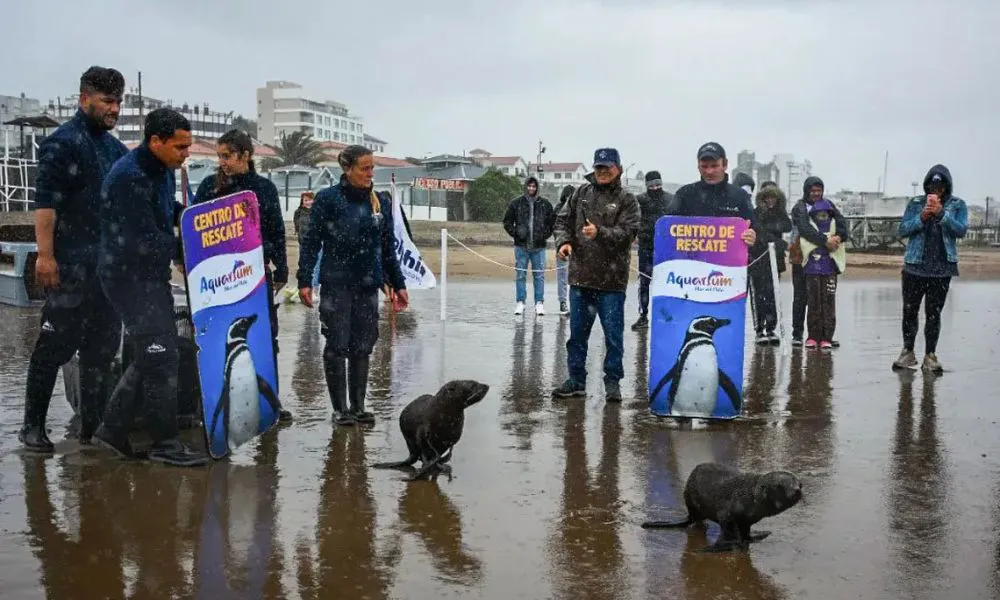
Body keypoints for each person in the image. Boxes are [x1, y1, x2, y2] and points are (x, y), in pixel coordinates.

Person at [18, 66, 129, 452]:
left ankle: (91, 427)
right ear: (84, 99)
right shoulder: (62, 144)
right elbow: (45, 206)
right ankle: (32, 426)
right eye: (107, 101)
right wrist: (45, 256)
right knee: (53, 347)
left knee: (101, 352)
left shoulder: (117, 151)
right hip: (70, 267)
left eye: (119, 101)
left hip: (106, 272)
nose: (115, 109)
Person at [94, 107, 208, 466]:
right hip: (128, 277)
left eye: (188, 146)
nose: (186, 153)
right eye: (180, 146)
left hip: (149, 276)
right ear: (155, 141)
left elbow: (164, 207)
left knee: (153, 352)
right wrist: (186, 249)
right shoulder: (129, 177)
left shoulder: (161, 169)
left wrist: (189, 218)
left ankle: (111, 432)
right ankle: (165, 445)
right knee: (161, 355)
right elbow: (142, 239)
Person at [297, 145, 409, 426]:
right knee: (337, 345)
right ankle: (340, 409)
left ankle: (358, 407)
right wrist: (304, 280)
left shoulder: (379, 202)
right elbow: (311, 243)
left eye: (372, 168)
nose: (370, 174)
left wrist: (398, 283)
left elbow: (387, 248)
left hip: (368, 284)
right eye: (364, 168)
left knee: (363, 346)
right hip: (336, 284)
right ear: (347, 169)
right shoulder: (328, 199)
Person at [192, 128, 292, 422]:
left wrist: (281, 267)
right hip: (217, 278)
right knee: (216, 337)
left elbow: (276, 229)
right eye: (219, 156)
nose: (222, 162)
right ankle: (211, 402)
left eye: (227, 156)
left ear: (245, 155)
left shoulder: (264, 188)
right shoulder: (209, 187)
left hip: (255, 275)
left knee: (265, 337)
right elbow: (193, 227)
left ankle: (271, 402)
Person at [551, 148, 640, 403]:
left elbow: (629, 233)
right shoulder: (580, 193)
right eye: (598, 167)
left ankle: (612, 382)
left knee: (614, 338)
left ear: (618, 169)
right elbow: (562, 222)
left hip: (612, 283)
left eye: (607, 167)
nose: (602, 172)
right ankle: (576, 380)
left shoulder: (627, 200)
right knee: (577, 337)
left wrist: (600, 232)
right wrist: (563, 243)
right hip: (580, 280)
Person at [892, 165, 967, 373]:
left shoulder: (958, 205)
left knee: (934, 313)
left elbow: (961, 230)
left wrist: (942, 214)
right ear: (927, 186)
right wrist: (922, 217)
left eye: (940, 187)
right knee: (909, 310)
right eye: (932, 187)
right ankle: (908, 352)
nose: (936, 191)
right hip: (915, 266)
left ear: (947, 187)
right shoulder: (916, 203)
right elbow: (903, 229)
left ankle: (930, 355)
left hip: (942, 269)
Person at [788, 176, 848, 347]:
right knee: (801, 296)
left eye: (818, 190)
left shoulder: (829, 205)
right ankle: (798, 334)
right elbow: (805, 229)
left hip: (825, 259)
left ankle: (824, 335)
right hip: (801, 257)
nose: (815, 193)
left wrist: (838, 237)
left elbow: (842, 224)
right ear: (806, 191)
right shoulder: (799, 208)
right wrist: (825, 241)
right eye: (812, 190)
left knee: (824, 297)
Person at [666, 142, 758, 243]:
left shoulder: (740, 196)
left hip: (729, 253)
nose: (709, 171)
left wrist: (752, 237)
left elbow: (756, 231)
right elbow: (666, 229)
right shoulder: (684, 194)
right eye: (704, 166)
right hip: (690, 252)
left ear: (725, 165)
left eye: (714, 166)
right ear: (698, 166)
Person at [502, 176, 555, 316]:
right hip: (521, 247)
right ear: (525, 186)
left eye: (534, 186)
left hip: (539, 247)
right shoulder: (516, 203)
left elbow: (552, 224)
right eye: (529, 186)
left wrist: (544, 235)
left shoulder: (545, 204)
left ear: (537, 187)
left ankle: (539, 303)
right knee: (520, 275)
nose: (531, 188)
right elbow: (507, 222)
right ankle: (520, 302)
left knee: (539, 276)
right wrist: (516, 234)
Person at [748, 181, 792, 344]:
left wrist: (775, 216)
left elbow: (787, 226)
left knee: (773, 295)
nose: (770, 200)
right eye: (767, 197)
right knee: (758, 296)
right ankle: (759, 329)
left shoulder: (780, 213)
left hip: (775, 261)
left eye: (773, 197)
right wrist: (781, 243)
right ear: (762, 197)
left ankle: (771, 328)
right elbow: (760, 234)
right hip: (758, 260)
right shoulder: (755, 213)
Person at [799, 199, 846, 350]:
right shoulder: (810, 230)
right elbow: (805, 244)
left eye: (825, 215)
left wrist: (829, 242)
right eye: (819, 215)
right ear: (813, 216)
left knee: (828, 302)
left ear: (830, 214)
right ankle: (813, 336)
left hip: (830, 270)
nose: (822, 217)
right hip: (812, 271)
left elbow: (838, 246)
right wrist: (826, 242)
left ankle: (827, 337)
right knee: (813, 303)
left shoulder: (836, 229)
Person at [632, 170, 674, 331]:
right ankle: (643, 315)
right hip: (646, 247)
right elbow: (632, 220)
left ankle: (667, 316)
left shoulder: (671, 199)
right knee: (644, 282)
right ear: (646, 186)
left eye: (658, 185)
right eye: (651, 186)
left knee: (667, 283)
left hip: (666, 248)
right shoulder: (640, 200)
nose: (655, 188)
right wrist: (634, 234)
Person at [553, 184, 574, 316]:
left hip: (576, 248)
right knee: (562, 276)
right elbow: (555, 228)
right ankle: (563, 302)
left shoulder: (578, 209)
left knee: (575, 277)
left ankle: (573, 303)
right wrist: (561, 242)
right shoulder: (558, 209)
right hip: (562, 247)